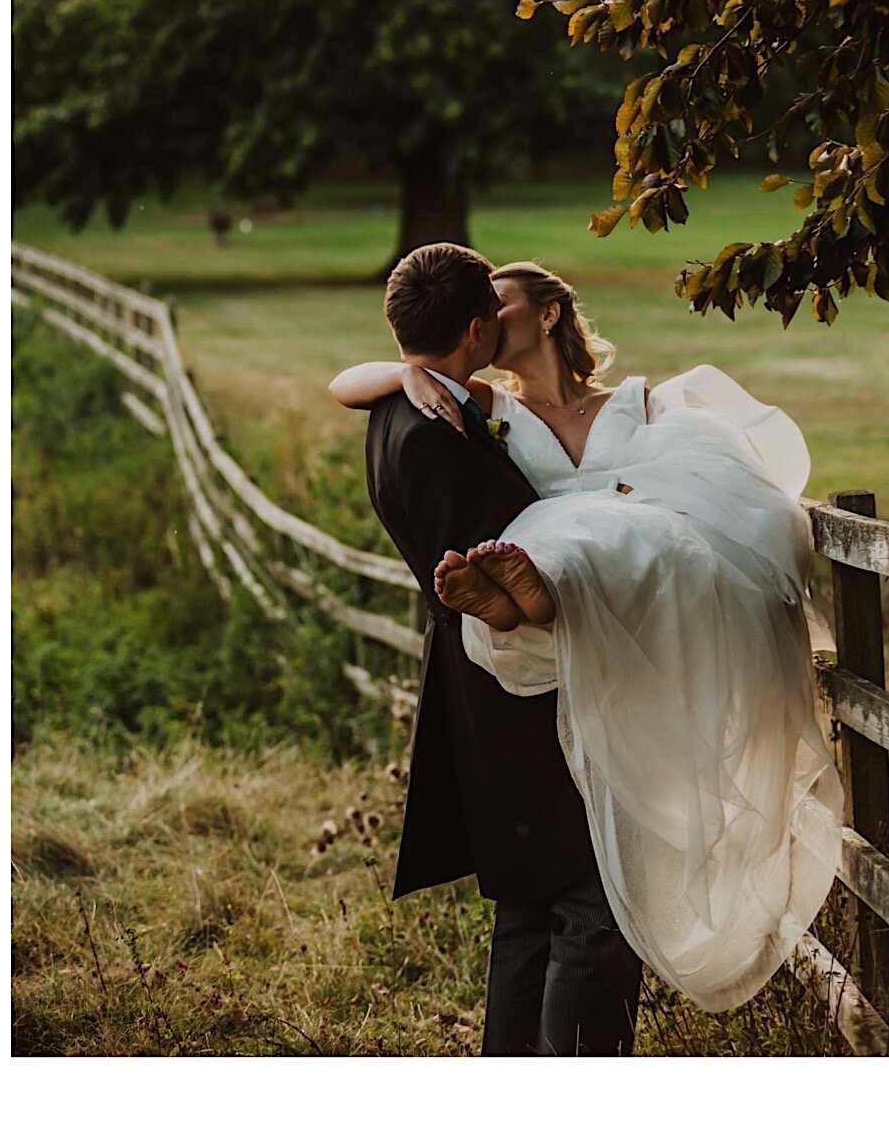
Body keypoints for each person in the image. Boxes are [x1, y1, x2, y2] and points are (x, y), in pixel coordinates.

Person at [332, 254, 843, 1015]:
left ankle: (540, 590)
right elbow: (358, 379)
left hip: (635, 632)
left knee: (650, 530)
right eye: (484, 310)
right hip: (551, 647)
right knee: (574, 896)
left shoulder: (641, 404)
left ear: (545, 314)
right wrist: (404, 374)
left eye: (505, 305)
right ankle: (524, 600)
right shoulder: (481, 409)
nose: (492, 319)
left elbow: (719, 484)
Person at [336, 243, 642, 1057]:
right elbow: (486, 566)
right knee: (593, 898)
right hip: (512, 693)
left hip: (491, 693)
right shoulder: (434, 436)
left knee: (530, 904)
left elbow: (354, 383)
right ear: (475, 329)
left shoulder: (412, 405)